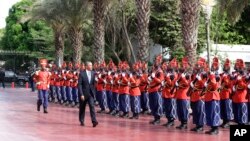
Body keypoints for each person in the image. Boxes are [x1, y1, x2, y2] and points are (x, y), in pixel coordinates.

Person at [78, 61, 98, 127]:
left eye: (91, 65)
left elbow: (93, 83)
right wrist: (81, 94)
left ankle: (94, 121)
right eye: (90, 65)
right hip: (83, 94)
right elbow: (80, 85)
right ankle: (81, 120)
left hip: (90, 94)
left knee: (92, 106)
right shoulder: (81, 74)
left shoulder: (93, 73)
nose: (91, 66)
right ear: (86, 66)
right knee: (82, 108)